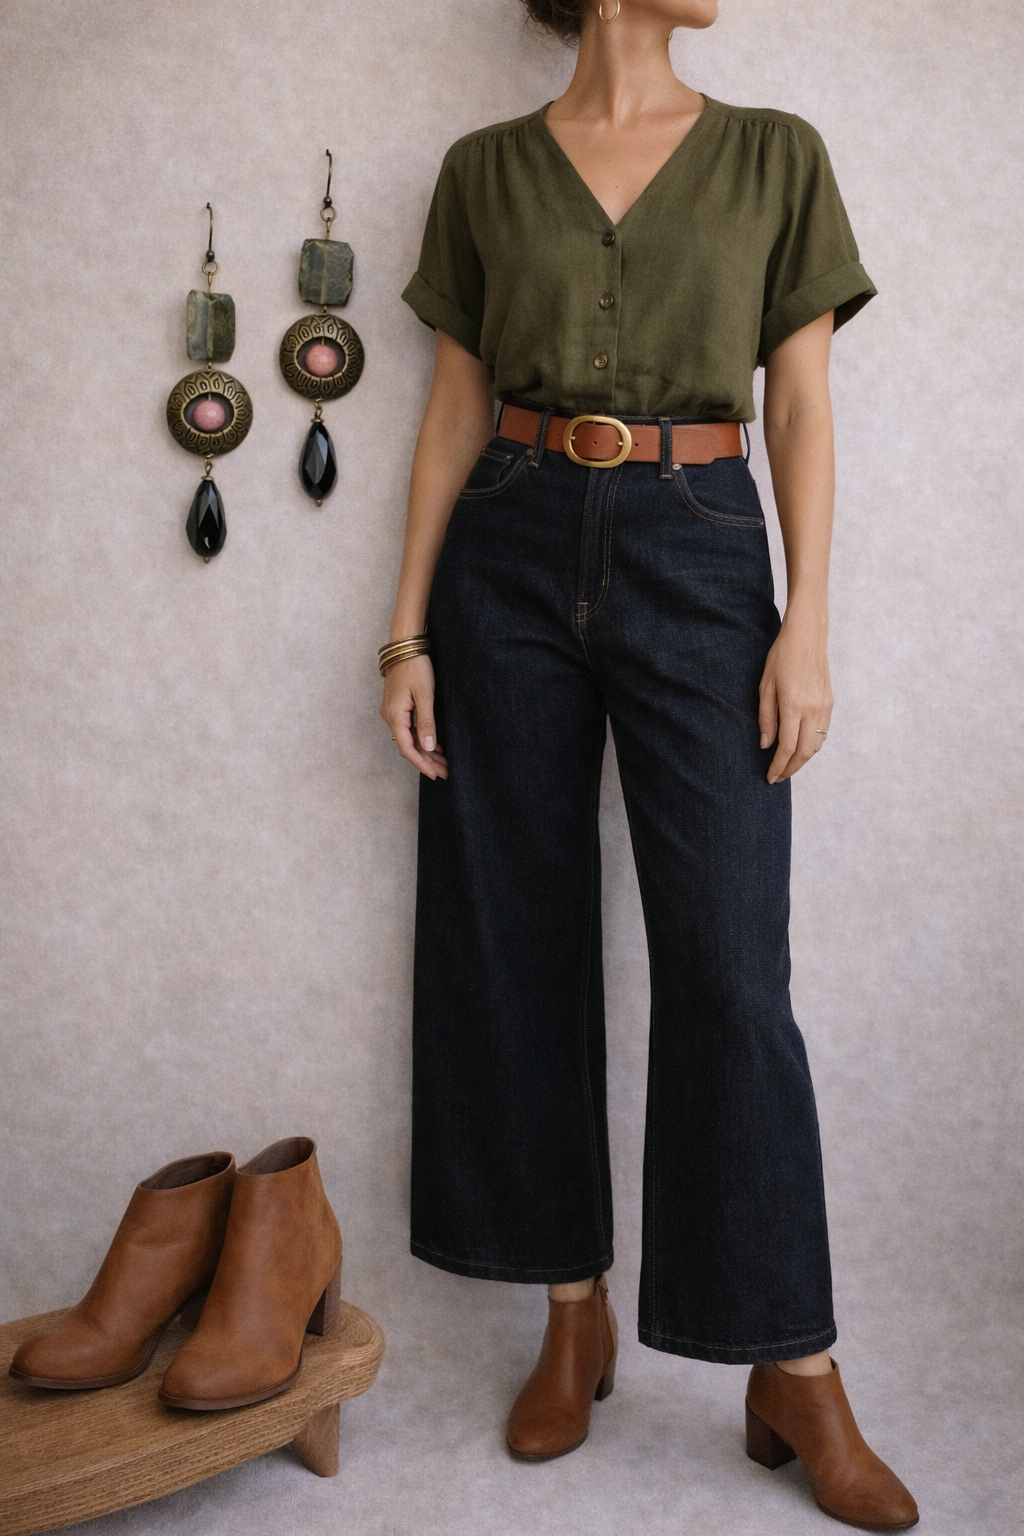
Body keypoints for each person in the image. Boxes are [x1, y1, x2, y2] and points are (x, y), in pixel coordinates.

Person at [380, 0, 918, 1526]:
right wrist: (406, 630)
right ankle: (574, 1311)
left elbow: (799, 401)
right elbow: (452, 406)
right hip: (507, 551)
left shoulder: (774, 157)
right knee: (516, 938)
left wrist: (805, 623)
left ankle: (793, 1365)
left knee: (732, 967)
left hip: (702, 547)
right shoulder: (485, 170)